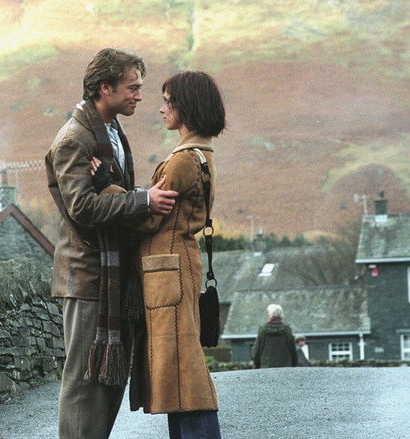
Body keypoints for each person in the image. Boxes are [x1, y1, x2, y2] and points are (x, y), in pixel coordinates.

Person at [44, 48, 178, 439]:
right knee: (85, 381)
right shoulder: (74, 139)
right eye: (132, 87)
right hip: (87, 276)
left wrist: (132, 195)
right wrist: (143, 201)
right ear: (105, 87)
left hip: (112, 273)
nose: (139, 96)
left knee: (108, 379)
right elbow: (82, 207)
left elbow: (106, 192)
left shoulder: (111, 130)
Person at [93, 71, 227, 438]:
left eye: (168, 102)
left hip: (167, 270)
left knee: (183, 368)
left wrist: (108, 188)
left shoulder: (182, 161)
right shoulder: (201, 153)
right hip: (177, 265)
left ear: (187, 107)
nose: (161, 108)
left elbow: (147, 218)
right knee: (178, 372)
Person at [251, 304, 298, 368]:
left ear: (269, 315)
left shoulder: (262, 330)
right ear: (281, 315)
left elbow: (256, 351)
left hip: (266, 368)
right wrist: (293, 365)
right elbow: (293, 350)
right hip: (285, 368)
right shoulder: (287, 330)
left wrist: (257, 366)